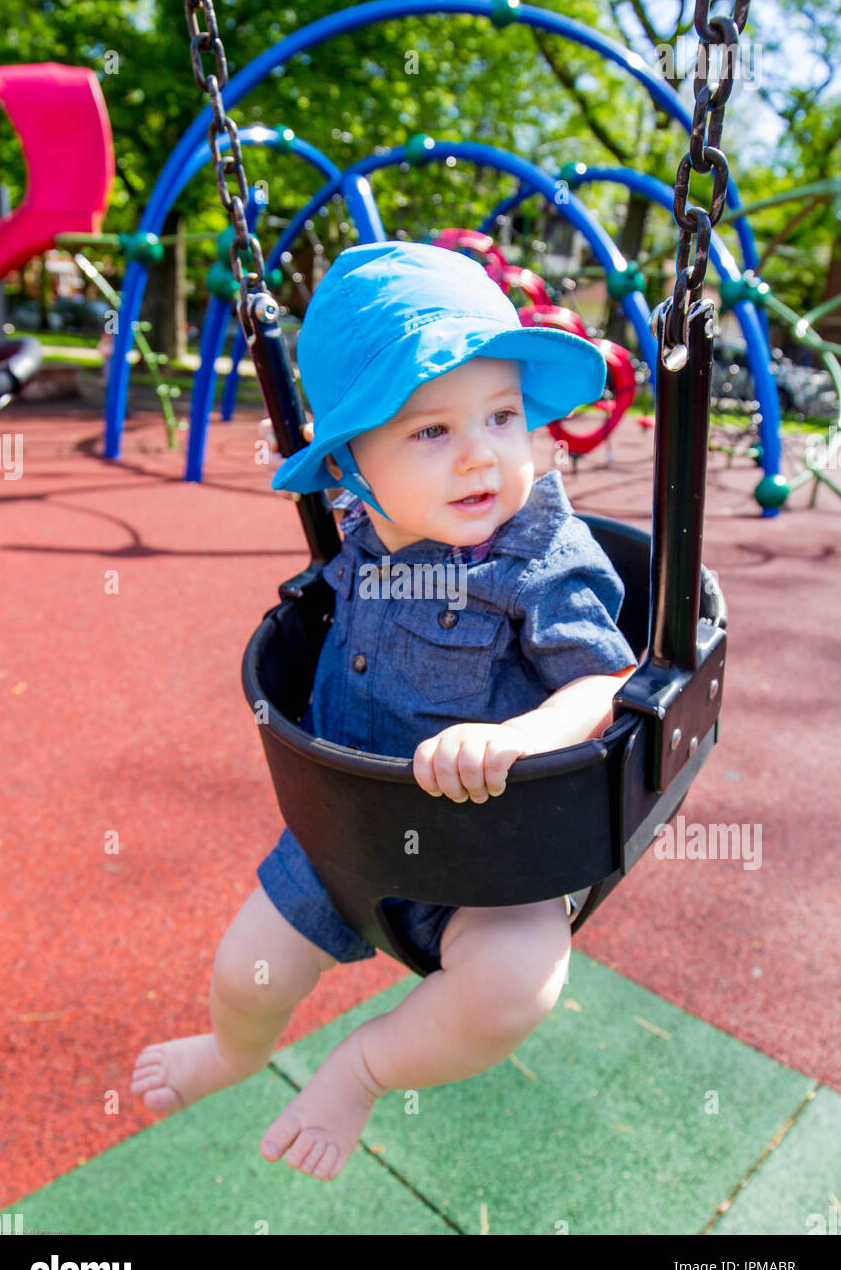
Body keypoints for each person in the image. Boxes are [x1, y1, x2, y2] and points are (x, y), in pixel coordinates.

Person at [132, 240, 638, 1182]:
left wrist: (513, 737)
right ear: (354, 470)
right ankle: (233, 1053)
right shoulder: (363, 530)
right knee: (246, 971)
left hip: (495, 855)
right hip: (349, 831)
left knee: (515, 986)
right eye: (430, 431)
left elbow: (607, 683)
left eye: (503, 414)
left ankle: (361, 1068)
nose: (483, 450)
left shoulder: (539, 556)